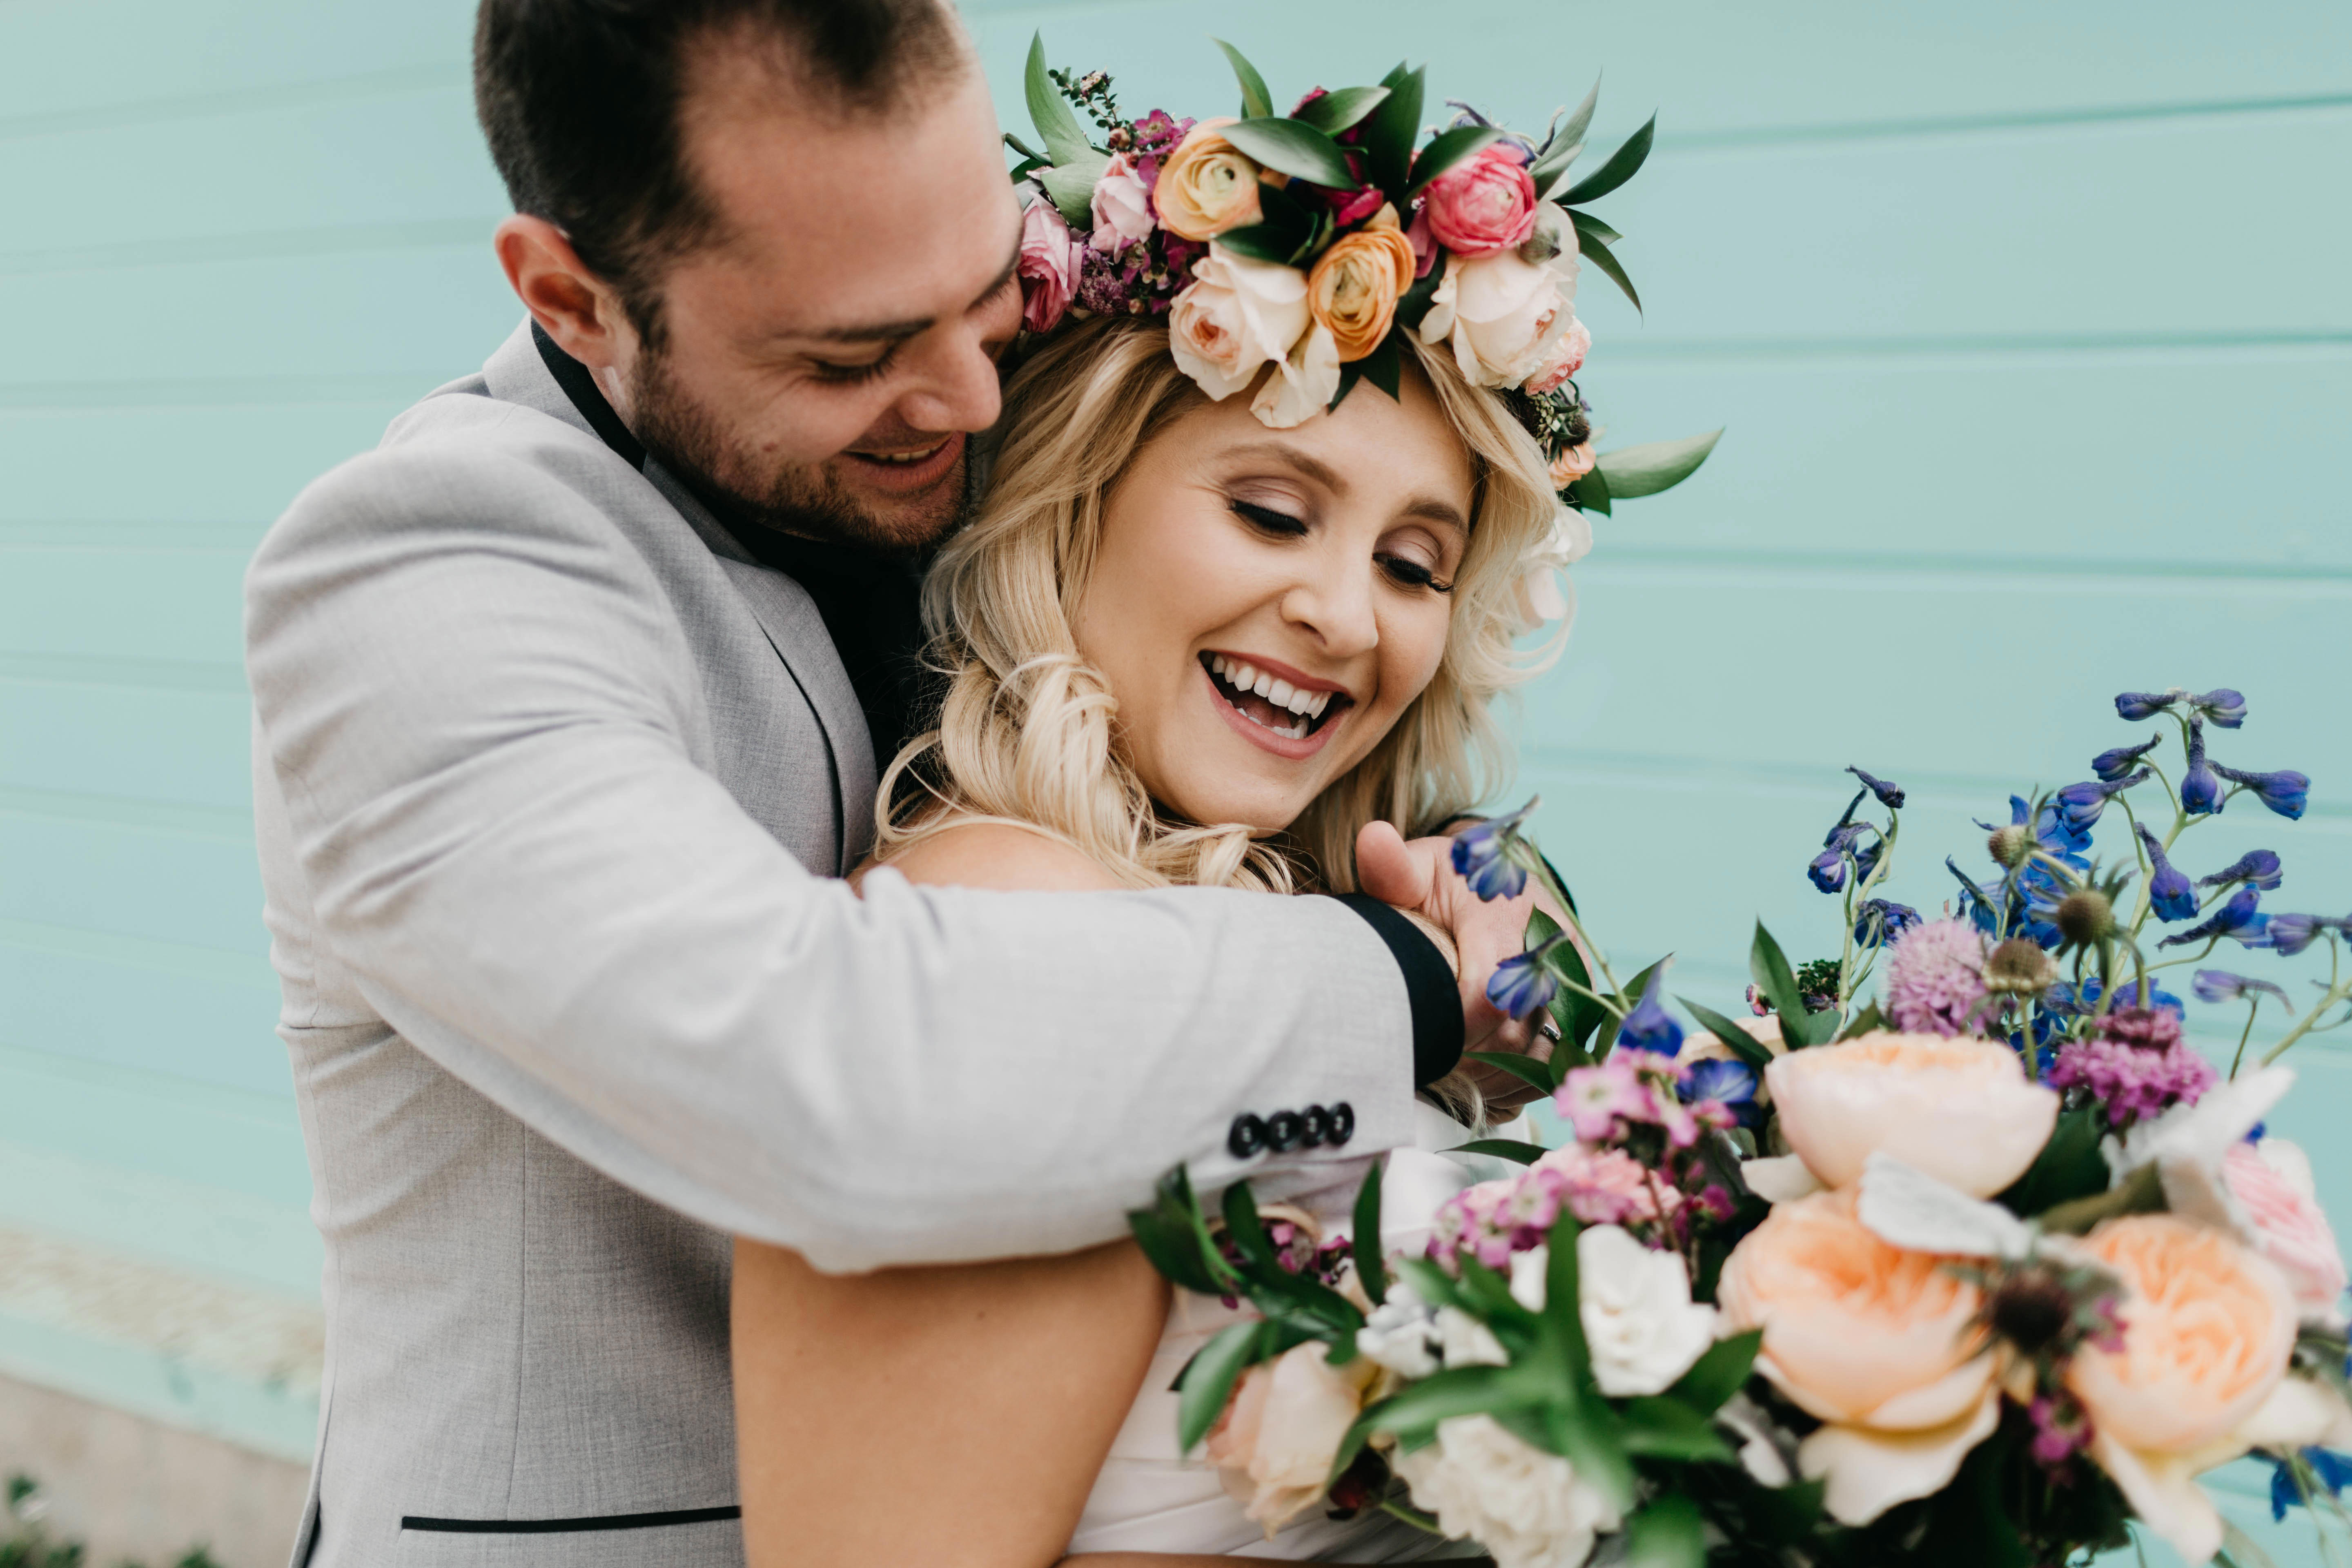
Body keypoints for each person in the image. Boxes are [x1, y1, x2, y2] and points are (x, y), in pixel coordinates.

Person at [241, 3, 1541, 1563]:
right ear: (573, 297)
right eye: (859, 354)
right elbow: (835, 1075)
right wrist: (1402, 983)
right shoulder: (418, 573)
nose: (979, 408)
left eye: (992, 300)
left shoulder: (955, 441)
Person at [731, 306, 1571, 1563]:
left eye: (1412, 564)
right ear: (1073, 495)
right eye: (1273, 514)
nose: (1348, 618)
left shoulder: (1304, 927)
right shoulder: (999, 930)